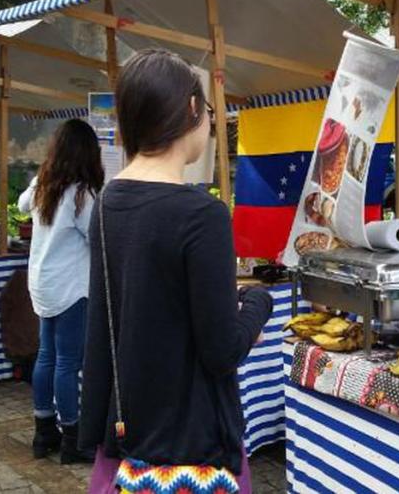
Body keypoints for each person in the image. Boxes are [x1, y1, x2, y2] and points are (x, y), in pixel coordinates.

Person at [80, 49, 273, 494]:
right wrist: (258, 303)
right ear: (191, 109)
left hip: (128, 444)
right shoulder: (201, 214)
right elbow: (222, 350)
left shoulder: (107, 203)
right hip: (192, 448)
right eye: (209, 113)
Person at [18, 119, 103, 464]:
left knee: (46, 357)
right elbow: (96, 238)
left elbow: (22, 205)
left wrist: (41, 176)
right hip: (71, 287)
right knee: (67, 362)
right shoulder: (82, 194)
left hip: (43, 284)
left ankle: (43, 433)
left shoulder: (44, 185)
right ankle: (72, 438)